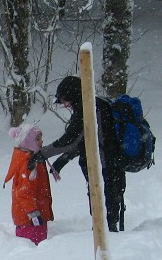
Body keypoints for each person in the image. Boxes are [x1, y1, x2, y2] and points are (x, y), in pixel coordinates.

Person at [31, 75, 125, 231]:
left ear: (73, 96)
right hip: (110, 165)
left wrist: (42, 154)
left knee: (104, 205)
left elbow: (71, 139)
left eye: (66, 100)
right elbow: (83, 141)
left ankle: (107, 236)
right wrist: (62, 160)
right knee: (108, 203)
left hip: (104, 167)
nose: (66, 104)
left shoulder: (88, 108)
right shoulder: (93, 105)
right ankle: (108, 231)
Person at [4, 123, 56, 245]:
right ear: (28, 141)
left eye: (41, 138)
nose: (41, 141)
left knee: (39, 248)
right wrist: (33, 214)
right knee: (33, 251)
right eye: (37, 139)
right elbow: (23, 192)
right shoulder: (28, 164)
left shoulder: (35, 159)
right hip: (29, 220)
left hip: (36, 215)